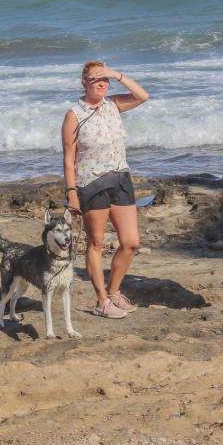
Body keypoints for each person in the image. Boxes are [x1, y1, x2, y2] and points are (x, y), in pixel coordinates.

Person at [62, 61, 149, 319]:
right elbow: (69, 158)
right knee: (96, 243)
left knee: (131, 242)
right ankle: (101, 301)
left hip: (120, 177)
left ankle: (113, 292)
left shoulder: (113, 105)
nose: (101, 83)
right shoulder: (74, 114)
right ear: (83, 83)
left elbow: (143, 96)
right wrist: (71, 192)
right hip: (91, 182)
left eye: (104, 79)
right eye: (95, 79)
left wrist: (116, 74)